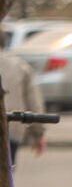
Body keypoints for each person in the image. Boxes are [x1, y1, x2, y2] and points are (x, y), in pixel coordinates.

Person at [0, 28, 47, 163]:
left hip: (10, 127)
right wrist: (38, 135)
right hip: (11, 130)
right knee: (7, 175)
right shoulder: (20, 66)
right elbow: (33, 103)